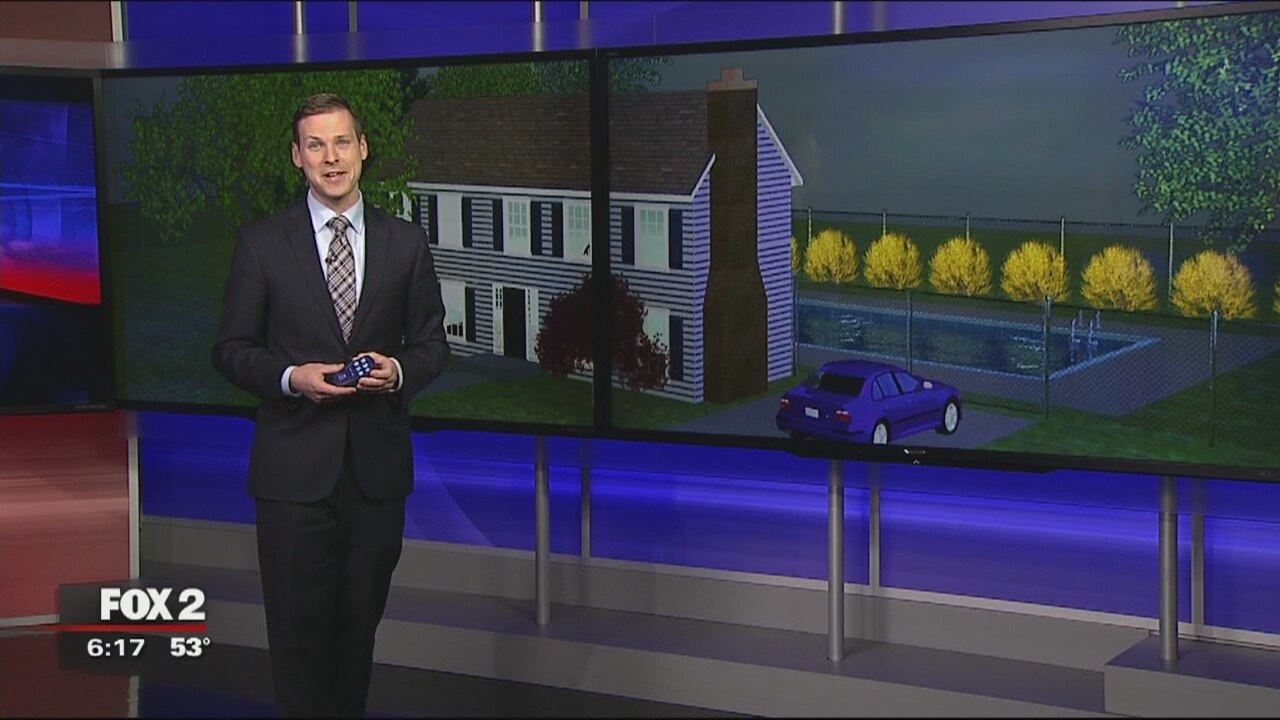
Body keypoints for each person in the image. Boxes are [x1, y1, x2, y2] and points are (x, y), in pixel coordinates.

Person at [212, 92, 449, 717]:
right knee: (298, 640)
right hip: (293, 479)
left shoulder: (406, 243)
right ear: (297, 157)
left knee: (355, 637)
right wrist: (293, 377)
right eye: (315, 145)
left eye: (342, 142)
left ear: (363, 148)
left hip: (375, 478)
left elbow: (432, 346)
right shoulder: (262, 243)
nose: (331, 157)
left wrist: (397, 371)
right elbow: (231, 350)